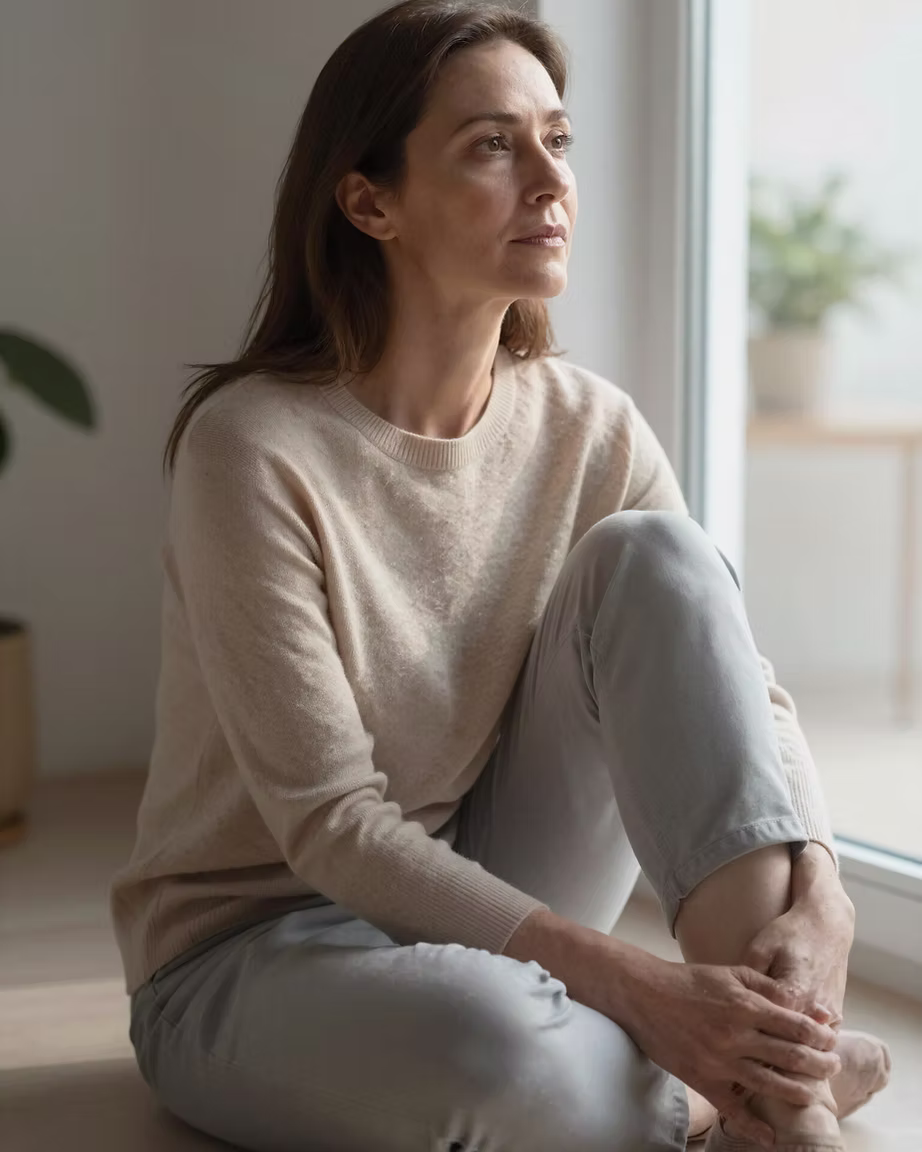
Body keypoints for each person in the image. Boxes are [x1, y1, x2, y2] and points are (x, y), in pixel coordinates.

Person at [110, 3, 891, 1149]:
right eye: (491, 144)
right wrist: (634, 983)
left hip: (495, 888)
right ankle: (754, 1084)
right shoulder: (253, 448)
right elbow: (333, 828)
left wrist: (823, 891)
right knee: (506, 1060)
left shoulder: (589, 425)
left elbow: (749, 700)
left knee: (662, 559)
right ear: (369, 201)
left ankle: (770, 1092)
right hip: (259, 953)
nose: (549, 180)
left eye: (558, 141)